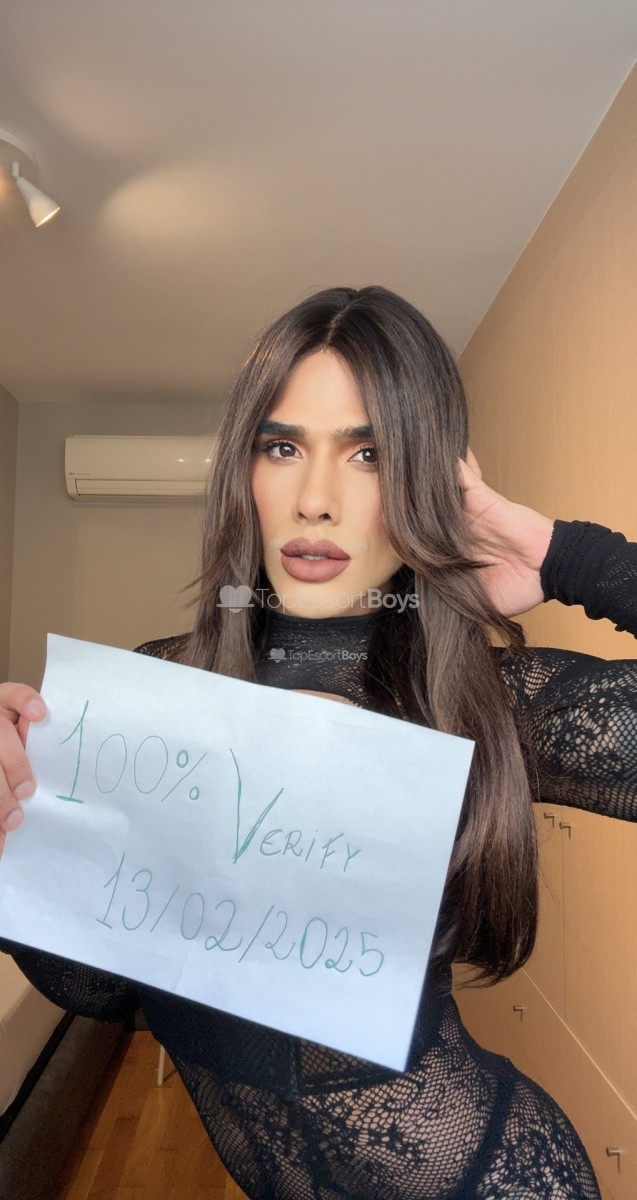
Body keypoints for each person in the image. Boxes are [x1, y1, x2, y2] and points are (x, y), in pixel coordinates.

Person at [1, 285, 636, 1199]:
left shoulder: (485, 700)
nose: (315, 500)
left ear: (425, 484)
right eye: (283, 446)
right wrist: (12, 836)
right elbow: (103, 992)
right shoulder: (159, 693)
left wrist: (566, 555)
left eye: (370, 454)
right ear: (245, 471)